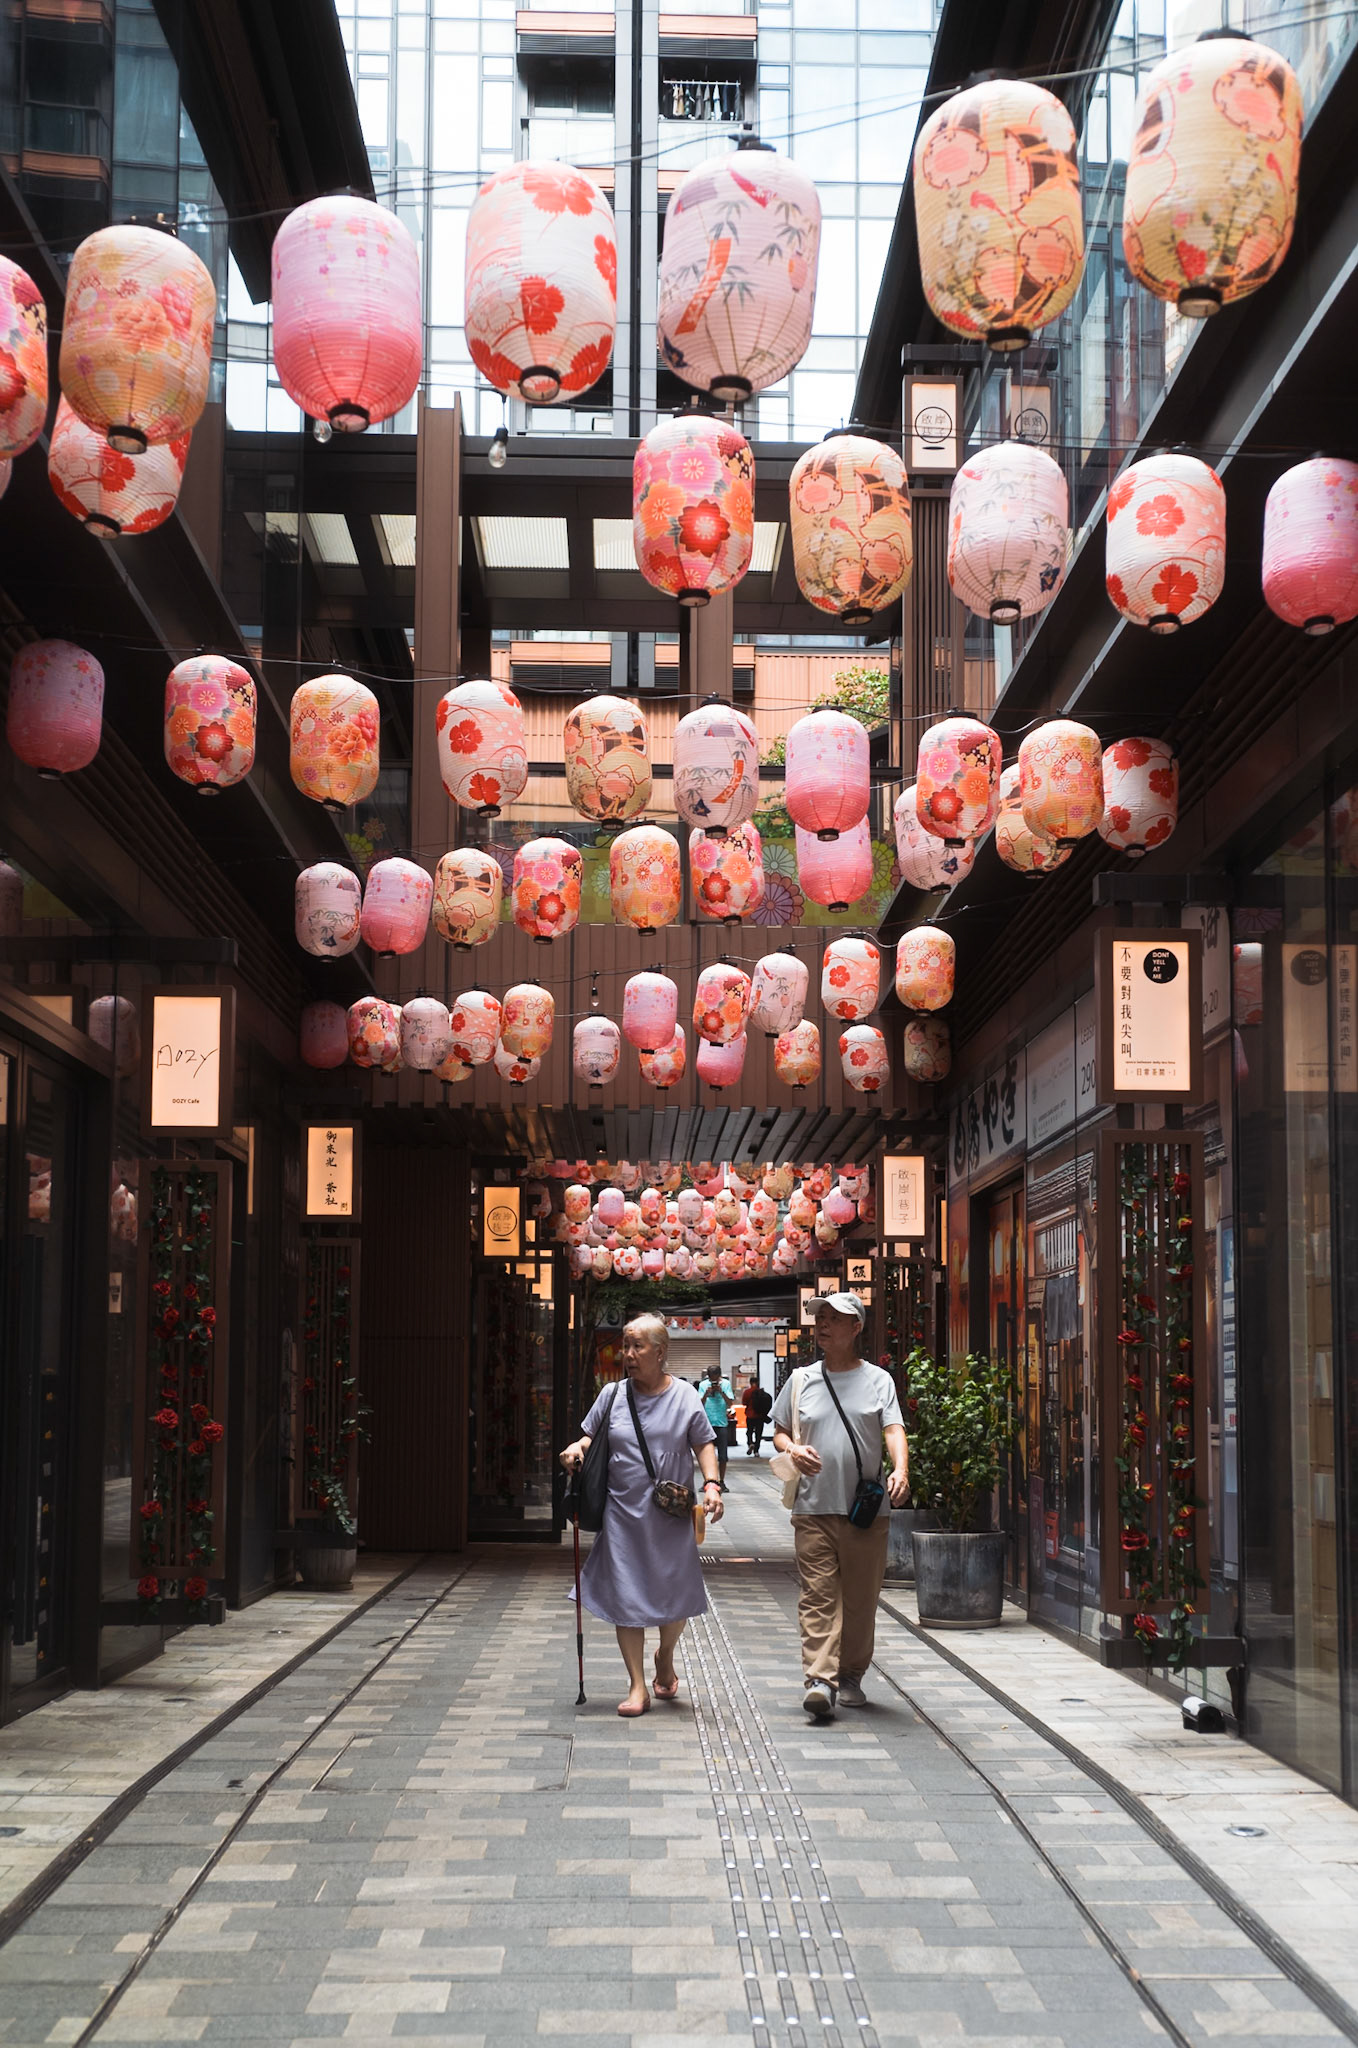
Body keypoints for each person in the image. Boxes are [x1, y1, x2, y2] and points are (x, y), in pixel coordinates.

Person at [560, 1315, 724, 1717]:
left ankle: (665, 1655)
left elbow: (704, 1443)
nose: (628, 1355)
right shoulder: (613, 1394)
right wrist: (577, 1447)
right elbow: (590, 1437)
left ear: (660, 1352)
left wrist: (712, 1485)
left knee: (675, 1595)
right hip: (622, 1512)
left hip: (670, 1513)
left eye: (638, 1347)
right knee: (627, 1595)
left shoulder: (684, 1396)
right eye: (626, 1346)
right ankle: (637, 1685)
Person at [770, 1293, 909, 1722]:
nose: (824, 1325)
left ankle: (850, 1675)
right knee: (817, 1596)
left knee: (861, 1600)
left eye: (835, 1318)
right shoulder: (801, 1380)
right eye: (821, 1318)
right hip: (813, 1507)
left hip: (864, 1511)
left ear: (856, 1328)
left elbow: (893, 1429)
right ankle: (819, 1679)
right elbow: (780, 1431)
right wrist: (793, 1449)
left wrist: (901, 1468)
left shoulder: (878, 1380)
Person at [701, 1364, 735, 1488]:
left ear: (719, 1376)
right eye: (711, 1378)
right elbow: (699, 1403)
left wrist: (721, 1392)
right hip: (707, 1423)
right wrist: (706, 1394)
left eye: (715, 1379)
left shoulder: (726, 1384)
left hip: (721, 1423)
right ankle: (708, 1480)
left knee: (723, 1456)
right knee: (706, 1454)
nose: (713, 1381)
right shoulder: (703, 1385)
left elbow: (730, 1403)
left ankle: (722, 1481)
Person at [745, 1377, 773, 1456]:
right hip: (760, 1416)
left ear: (750, 1382)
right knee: (758, 1434)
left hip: (750, 1415)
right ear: (758, 1382)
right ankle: (756, 1451)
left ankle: (750, 1443)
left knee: (749, 1431)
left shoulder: (747, 1392)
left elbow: (744, 1402)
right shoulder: (762, 1392)